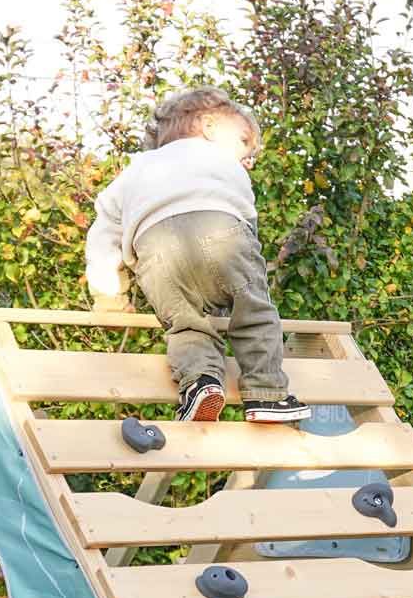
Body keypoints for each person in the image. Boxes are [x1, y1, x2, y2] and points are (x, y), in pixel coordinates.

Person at [85, 86, 310, 449]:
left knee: (185, 324)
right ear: (207, 125)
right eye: (244, 141)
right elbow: (245, 225)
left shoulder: (138, 168)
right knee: (252, 310)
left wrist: (109, 294)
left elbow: (104, 230)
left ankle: (200, 383)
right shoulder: (218, 162)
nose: (249, 158)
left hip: (152, 250)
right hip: (222, 229)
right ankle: (266, 393)